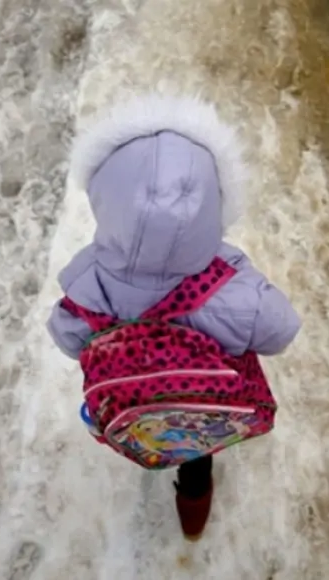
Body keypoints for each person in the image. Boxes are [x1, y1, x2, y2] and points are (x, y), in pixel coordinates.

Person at [46, 94, 302, 540]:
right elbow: (281, 330)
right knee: (194, 453)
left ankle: (147, 445)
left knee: (150, 425)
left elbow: (67, 336)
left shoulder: (88, 283)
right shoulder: (234, 293)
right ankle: (193, 518)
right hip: (198, 401)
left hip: (131, 401)